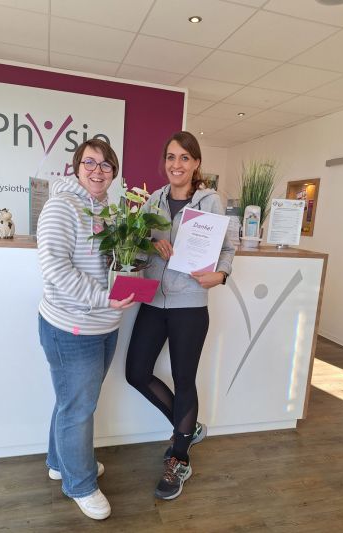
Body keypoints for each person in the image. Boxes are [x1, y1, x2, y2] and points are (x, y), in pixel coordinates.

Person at [126, 131, 235, 500]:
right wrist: (148, 242)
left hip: (190, 304)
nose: (177, 164)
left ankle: (180, 455)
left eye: (185, 158)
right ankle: (188, 428)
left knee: (184, 379)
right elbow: (137, 246)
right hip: (152, 300)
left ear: (196, 163)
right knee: (136, 372)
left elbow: (227, 248)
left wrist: (220, 275)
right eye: (171, 157)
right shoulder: (153, 200)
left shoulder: (210, 201)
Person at [37, 139, 134, 520]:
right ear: (76, 167)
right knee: (79, 408)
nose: (98, 170)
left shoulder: (110, 210)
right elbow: (55, 269)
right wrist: (103, 298)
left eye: (106, 164)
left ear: (114, 172)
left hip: (105, 324)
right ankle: (80, 483)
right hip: (72, 327)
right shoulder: (61, 206)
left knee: (71, 402)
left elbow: (112, 262)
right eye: (90, 162)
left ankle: (59, 462)